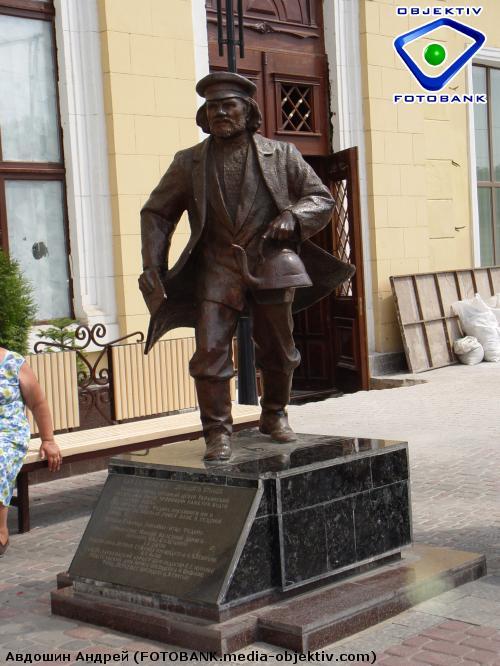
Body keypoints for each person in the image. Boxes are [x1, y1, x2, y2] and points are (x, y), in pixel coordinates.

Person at [139, 72, 353, 463]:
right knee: (209, 353)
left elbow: (320, 200)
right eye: (212, 106)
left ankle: (274, 414)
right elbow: (157, 213)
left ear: (248, 110)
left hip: (271, 264)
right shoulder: (188, 162)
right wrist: (152, 264)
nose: (220, 112)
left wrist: (294, 216)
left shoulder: (281, 154)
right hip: (216, 271)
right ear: (204, 114)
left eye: (228, 104)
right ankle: (217, 433)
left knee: (279, 348)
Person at [0, 346, 62, 554]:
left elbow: (38, 403)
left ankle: (1, 531)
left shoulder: (12, 362)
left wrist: (48, 440)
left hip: (8, 433)